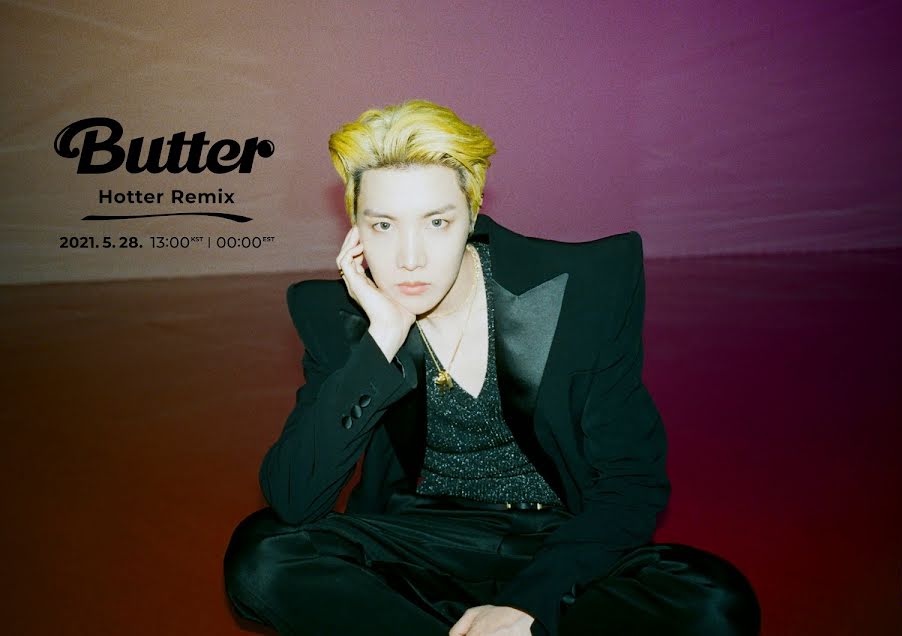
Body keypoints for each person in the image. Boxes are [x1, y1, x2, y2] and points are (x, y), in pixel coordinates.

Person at [223, 99, 760, 636]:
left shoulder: (584, 286)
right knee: (263, 557)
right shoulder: (337, 318)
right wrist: (381, 338)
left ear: (472, 211)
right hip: (423, 546)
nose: (410, 258)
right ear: (356, 229)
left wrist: (530, 603)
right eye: (384, 225)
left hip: (559, 541)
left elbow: (631, 481)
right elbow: (294, 499)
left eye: (437, 222)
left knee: (714, 603)